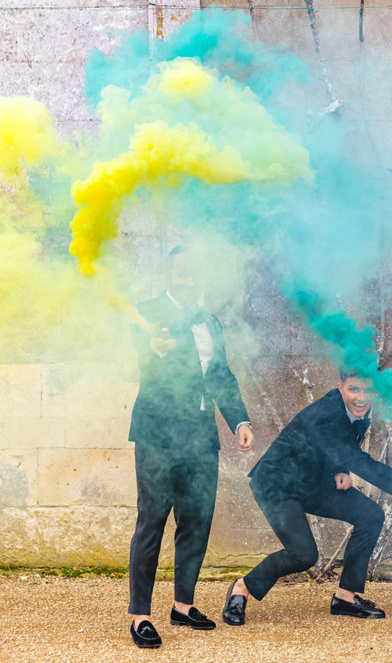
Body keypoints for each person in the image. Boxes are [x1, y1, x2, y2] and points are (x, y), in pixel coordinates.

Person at [220, 374, 392, 625]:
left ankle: (345, 597)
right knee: (303, 555)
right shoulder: (326, 413)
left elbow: (336, 445)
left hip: (314, 482)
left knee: (371, 516)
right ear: (340, 387)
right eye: (354, 389)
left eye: (369, 390)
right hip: (277, 485)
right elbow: (363, 463)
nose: (362, 397)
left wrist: (339, 469)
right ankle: (242, 587)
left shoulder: (359, 407)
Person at [126, 246, 254, 649]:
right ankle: (140, 617)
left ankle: (182, 606)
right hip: (158, 436)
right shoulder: (145, 313)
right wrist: (155, 350)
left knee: (196, 521)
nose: (187, 282)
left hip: (201, 438)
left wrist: (240, 420)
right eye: (180, 275)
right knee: (151, 523)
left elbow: (221, 376)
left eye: (193, 275)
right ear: (167, 276)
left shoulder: (210, 321)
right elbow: (140, 356)